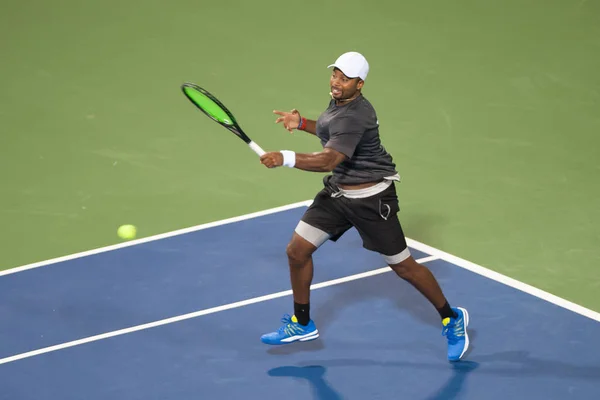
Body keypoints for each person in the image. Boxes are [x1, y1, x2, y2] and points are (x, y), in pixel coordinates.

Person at [258, 51, 469, 361]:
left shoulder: (356, 114)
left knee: (404, 268)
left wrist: (285, 158)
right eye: (335, 75)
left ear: (360, 84)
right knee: (297, 251)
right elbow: (332, 130)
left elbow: (329, 160)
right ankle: (301, 323)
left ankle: (452, 318)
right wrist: (301, 122)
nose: (336, 82)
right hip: (338, 196)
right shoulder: (340, 103)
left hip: (372, 201)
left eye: (345, 79)